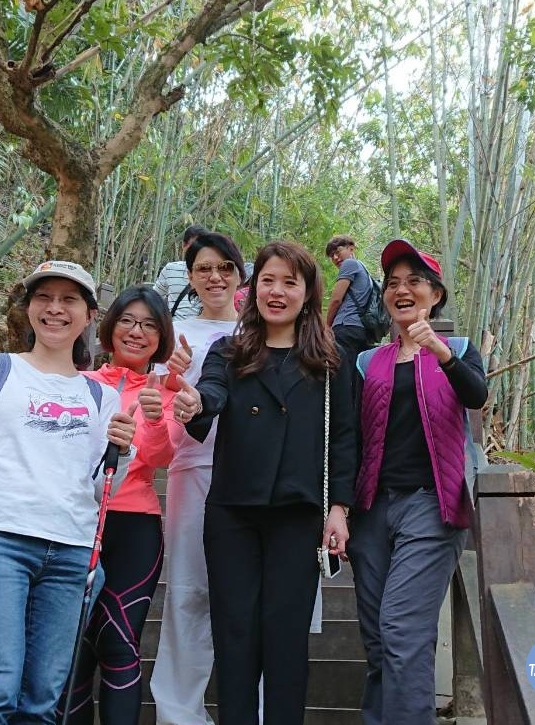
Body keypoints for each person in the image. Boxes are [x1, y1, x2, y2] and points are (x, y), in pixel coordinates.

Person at [0, 260, 138, 725]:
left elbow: (99, 489)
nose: (55, 309)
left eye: (69, 300)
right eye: (43, 298)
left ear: (90, 316)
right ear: (28, 309)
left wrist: (122, 452)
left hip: (71, 550)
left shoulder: (100, 397)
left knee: (41, 702)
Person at [173, 240, 356, 725]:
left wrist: (338, 507)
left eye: (290, 282)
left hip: (297, 515)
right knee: (235, 635)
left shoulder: (330, 359)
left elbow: (343, 437)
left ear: (307, 292)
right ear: (253, 288)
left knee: (286, 637)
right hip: (233, 511)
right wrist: (193, 404)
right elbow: (209, 395)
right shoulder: (229, 351)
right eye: (268, 280)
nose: (277, 292)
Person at [347, 239, 488, 725]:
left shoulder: (462, 351)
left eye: (414, 282)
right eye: (393, 284)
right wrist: (339, 509)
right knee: (379, 638)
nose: (401, 290)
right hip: (372, 509)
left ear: (435, 294)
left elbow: (476, 396)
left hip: (432, 505)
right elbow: (350, 437)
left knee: (403, 628)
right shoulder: (368, 362)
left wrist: (441, 352)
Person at [59, 285, 177, 725]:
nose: (137, 331)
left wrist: (155, 420)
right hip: (76, 522)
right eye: (128, 320)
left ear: (160, 337)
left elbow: (162, 458)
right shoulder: (79, 384)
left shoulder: (166, 395)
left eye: (149, 324)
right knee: (74, 645)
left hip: (135, 525)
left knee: (119, 639)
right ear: (109, 328)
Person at [149, 232, 247, 725]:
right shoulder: (172, 334)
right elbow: (150, 408)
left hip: (253, 479)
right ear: (189, 276)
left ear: (240, 276)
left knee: (249, 597)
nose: (215, 277)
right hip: (192, 467)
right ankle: (179, 713)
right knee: (188, 590)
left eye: (225, 267)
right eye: (205, 268)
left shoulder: (261, 330)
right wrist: (170, 375)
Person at [324, 235, 375, 364]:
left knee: (342, 375)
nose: (335, 258)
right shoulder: (364, 269)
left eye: (337, 252)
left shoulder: (349, 263)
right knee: (355, 375)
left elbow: (336, 299)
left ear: (351, 248)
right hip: (360, 330)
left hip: (346, 327)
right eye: (331, 256)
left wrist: (327, 326)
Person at [153, 224, 209, 320]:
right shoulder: (170, 269)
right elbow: (154, 298)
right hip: (175, 331)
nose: (197, 252)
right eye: (193, 247)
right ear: (184, 245)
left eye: (202, 248)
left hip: (203, 331)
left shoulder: (214, 275)